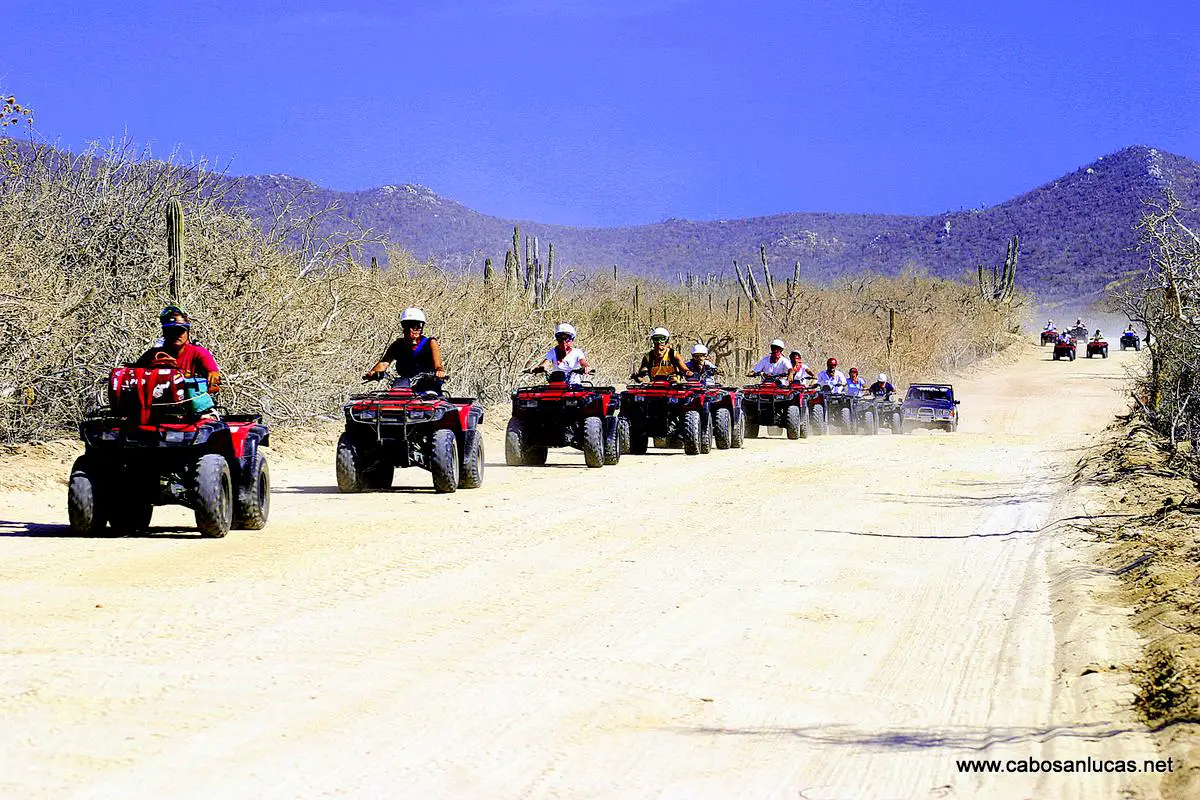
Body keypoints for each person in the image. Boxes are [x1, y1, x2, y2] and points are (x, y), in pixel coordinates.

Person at [134, 306, 221, 393]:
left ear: (187, 333)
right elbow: (133, 376)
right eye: (172, 331)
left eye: (181, 331)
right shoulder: (152, 355)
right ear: (165, 332)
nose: (177, 335)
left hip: (187, 402)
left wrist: (213, 377)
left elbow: (213, 372)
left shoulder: (198, 352)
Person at [364, 307, 446, 388]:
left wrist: (439, 372)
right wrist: (374, 372)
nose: (411, 331)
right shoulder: (397, 345)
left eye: (416, 326)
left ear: (421, 328)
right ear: (403, 327)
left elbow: (438, 365)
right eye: (407, 326)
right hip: (403, 385)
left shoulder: (431, 343)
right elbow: (384, 363)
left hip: (428, 387)